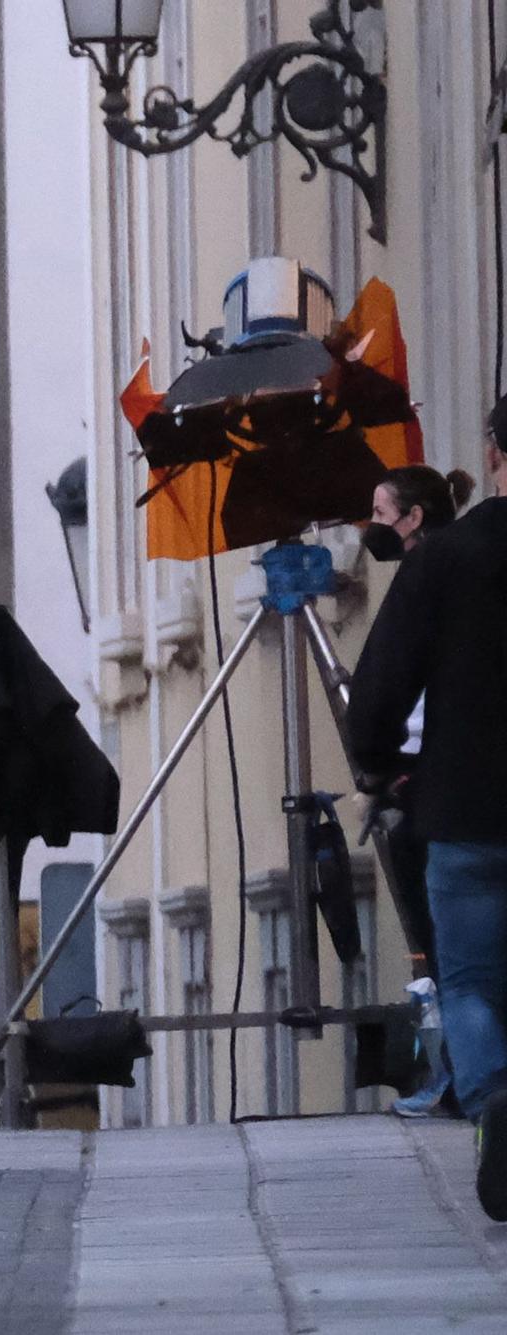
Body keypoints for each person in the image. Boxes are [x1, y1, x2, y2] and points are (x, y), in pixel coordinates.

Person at [348, 401, 507, 1220]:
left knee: (472, 982)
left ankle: (493, 1103)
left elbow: (381, 686)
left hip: (469, 808)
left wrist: (377, 763)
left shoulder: (445, 559)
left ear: (492, 453)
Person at [357, 463, 474, 1120]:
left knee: (443, 942)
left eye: (381, 510)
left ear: (414, 518)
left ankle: (466, 1079)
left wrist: (379, 771)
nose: (371, 523)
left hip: (429, 773)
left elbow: (390, 687)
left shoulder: (426, 579)